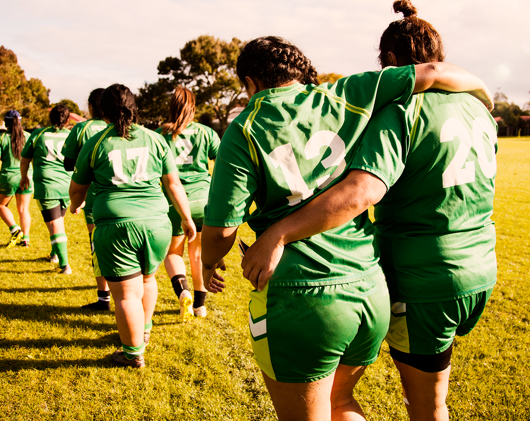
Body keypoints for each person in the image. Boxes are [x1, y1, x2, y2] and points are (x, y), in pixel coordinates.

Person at [200, 36, 493, 421]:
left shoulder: (244, 129)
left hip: (302, 293)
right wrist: (483, 91)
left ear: (250, 82)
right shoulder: (344, 93)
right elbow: (432, 72)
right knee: (340, 403)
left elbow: (222, 229)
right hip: (370, 285)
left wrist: (209, 262)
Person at [69, 84, 196, 368]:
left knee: (126, 293)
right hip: (157, 223)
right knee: (148, 279)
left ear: (103, 112)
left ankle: (132, 353)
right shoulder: (155, 139)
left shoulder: (97, 142)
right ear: (134, 107)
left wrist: (76, 205)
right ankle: (144, 330)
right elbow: (173, 183)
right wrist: (186, 218)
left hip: (117, 226)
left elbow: (77, 188)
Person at [156, 87, 220, 319]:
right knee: (198, 255)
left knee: (173, 253)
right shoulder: (207, 133)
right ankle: (200, 306)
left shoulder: (159, 135)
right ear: (193, 107)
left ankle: (183, 292)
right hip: (204, 200)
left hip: (173, 202)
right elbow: (223, 165)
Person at [62, 88, 111, 310]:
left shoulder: (83, 128)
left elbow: (68, 164)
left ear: (92, 106)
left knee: (98, 246)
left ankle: (104, 297)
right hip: (127, 196)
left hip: (94, 197)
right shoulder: (124, 128)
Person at [20, 104, 73, 273]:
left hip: (47, 184)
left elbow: (25, 159)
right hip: (67, 185)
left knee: (55, 224)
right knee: (58, 222)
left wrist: (24, 176)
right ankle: (54, 253)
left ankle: (64, 265)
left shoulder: (38, 134)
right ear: (67, 119)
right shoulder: (71, 136)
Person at [0, 110, 33, 248]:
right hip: (27, 176)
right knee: (24, 209)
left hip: (8, 177)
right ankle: (25, 239)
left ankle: (15, 229)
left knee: (1, 205)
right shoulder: (28, 136)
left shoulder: (2, 138)